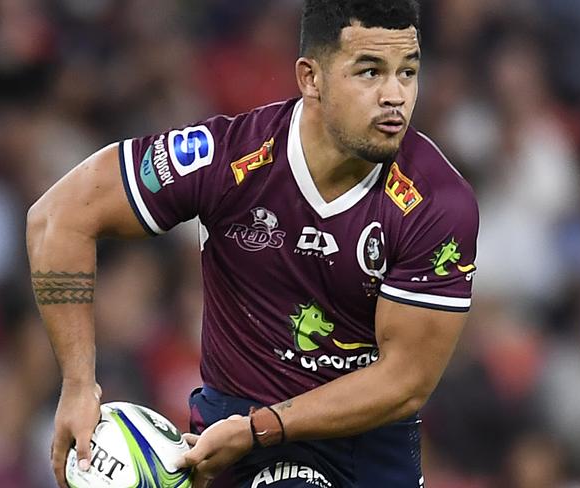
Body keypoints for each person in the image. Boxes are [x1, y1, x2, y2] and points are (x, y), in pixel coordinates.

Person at [26, 1, 479, 487]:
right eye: (370, 72)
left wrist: (260, 429)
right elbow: (59, 217)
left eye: (407, 72)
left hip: (362, 451)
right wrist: (77, 385)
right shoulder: (229, 158)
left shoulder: (436, 202)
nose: (395, 95)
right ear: (311, 78)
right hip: (233, 443)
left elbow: (404, 383)